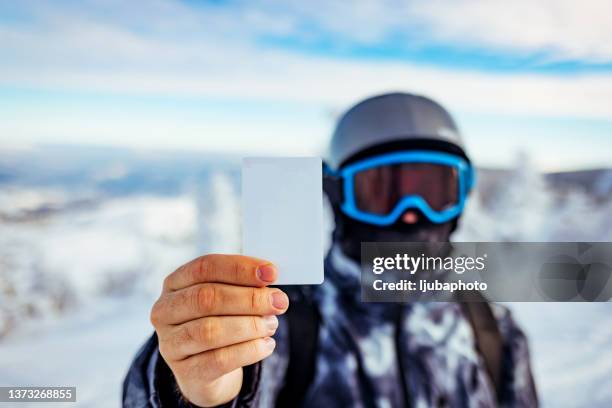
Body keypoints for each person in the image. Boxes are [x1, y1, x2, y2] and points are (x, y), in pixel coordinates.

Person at [123, 92, 538, 407]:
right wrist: (195, 385)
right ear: (337, 194)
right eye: (381, 191)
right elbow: (201, 384)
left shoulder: (492, 325)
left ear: (462, 195)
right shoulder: (284, 316)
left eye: (433, 190)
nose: (412, 214)